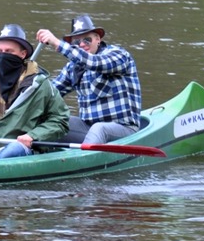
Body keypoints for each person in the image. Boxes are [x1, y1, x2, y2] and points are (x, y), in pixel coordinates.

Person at [0, 24, 69, 160]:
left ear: (23, 54)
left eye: (9, 51)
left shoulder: (41, 85)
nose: (3, 55)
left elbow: (60, 121)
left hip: (16, 146)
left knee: (14, 149)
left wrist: (33, 136)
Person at [36, 14, 142, 144]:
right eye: (76, 42)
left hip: (124, 129)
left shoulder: (118, 55)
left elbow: (93, 62)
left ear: (97, 39)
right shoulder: (72, 68)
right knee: (51, 120)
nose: (81, 44)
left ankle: (82, 162)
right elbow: (50, 93)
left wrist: (57, 43)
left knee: (99, 128)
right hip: (88, 129)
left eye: (87, 40)